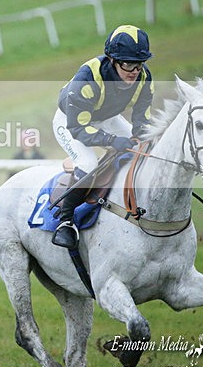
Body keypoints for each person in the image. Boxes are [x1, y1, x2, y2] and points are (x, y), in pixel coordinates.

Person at [51, 24, 154, 248]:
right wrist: (111, 141)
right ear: (112, 60)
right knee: (87, 164)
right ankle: (65, 221)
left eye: (139, 64)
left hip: (107, 117)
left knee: (145, 149)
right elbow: (78, 128)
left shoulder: (144, 78)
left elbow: (142, 122)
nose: (134, 71)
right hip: (71, 121)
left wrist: (139, 138)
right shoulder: (86, 78)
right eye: (127, 63)